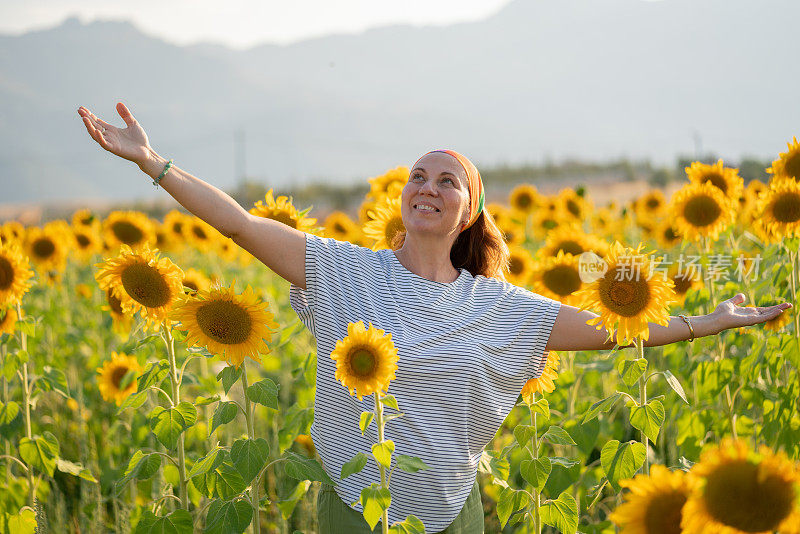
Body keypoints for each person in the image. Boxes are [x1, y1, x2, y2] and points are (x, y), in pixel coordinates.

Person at [77, 103, 791, 533]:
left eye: (447, 180)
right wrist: (153, 163)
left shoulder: (499, 307)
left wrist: (713, 319)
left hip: (454, 511)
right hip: (354, 502)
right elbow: (235, 224)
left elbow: (613, 331)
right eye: (418, 175)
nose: (427, 187)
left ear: (469, 211)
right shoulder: (342, 271)